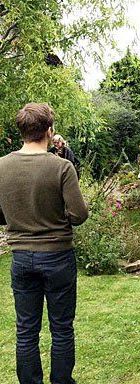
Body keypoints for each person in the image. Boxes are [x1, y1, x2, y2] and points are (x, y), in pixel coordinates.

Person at [0, 103, 88, 384]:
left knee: (26, 329)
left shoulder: (2, 166)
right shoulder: (62, 167)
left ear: (22, 132)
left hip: (21, 258)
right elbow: (79, 215)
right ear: (49, 131)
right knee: (61, 328)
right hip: (58, 257)